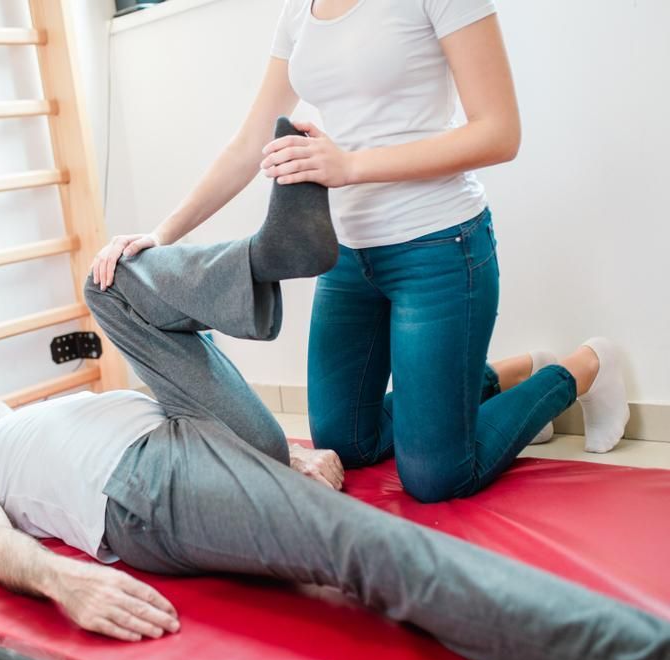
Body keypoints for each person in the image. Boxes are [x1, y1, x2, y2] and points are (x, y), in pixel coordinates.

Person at [0, 151, 668, 660]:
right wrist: (64, 581)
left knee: (106, 283)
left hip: (194, 429)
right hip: (142, 492)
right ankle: (638, 646)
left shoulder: (75, 403)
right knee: (367, 548)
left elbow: (192, 393)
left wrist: (287, 453)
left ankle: (269, 256)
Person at [89, 0, 631, 503]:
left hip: (440, 249)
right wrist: (162, 234)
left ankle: (583, 368)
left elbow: (499, 131)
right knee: (347, 442)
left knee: (436, 477)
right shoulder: (300, 10)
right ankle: (508, 373)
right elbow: (250, 139)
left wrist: (350, 166)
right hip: (349, 259)